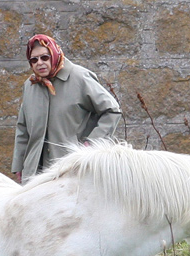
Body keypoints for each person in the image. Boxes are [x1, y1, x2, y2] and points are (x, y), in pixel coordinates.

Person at [12, 34, 122, 183]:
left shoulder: (80, 77)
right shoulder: (30, 85)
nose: (39, 63)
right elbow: (23, 129)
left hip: (72, 171)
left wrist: (91, 145)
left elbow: (112, 110)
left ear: (54, 54)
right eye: (34, 59)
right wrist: (19, 166)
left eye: (45, 57)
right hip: (35, 174)